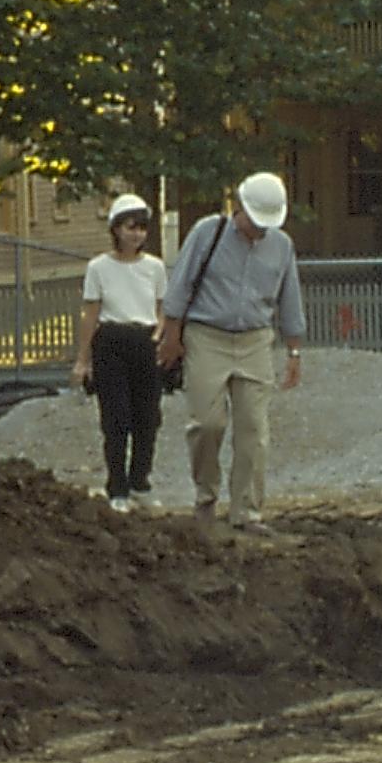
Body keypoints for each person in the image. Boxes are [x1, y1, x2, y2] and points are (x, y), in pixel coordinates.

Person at [156, 170, 304, 526]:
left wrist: (294, 351)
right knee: (207, 423)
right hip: (207, 335)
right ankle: (206, 496)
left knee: (254, 429)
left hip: (255, 340)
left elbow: (290, 299)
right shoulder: (208, 233)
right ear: (239, 207)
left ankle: (247, 512)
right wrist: (171, 337)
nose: (259, 229)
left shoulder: (281, 246)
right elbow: (180, 285)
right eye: (255, 221)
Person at [71, 193, 168, 511]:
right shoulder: (99, 267)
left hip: (145, 341)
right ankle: (118, 487)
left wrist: (159, 337)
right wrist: (83, 360)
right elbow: (91, 313)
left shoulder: (154, 267)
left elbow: (161, 307)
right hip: (111, 341)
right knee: (116, 418)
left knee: (148, 416)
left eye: (142, 228)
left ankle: (141, 480)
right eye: (130, 226)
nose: (137, 234)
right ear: (115, 229)